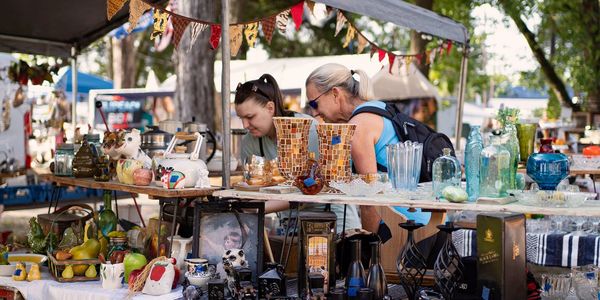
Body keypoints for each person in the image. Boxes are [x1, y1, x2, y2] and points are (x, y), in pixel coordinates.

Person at [305, 63, 430, 234]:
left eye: (314, 104)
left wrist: (367, 247)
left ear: (335, 93)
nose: (314, 113)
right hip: (422, 219)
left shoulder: (359, 126)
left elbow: (369, 202)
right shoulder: (377, 108)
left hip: (402, 228)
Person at [234, 74, 361, 233]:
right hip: (292, 227)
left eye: (250, 117)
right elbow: (254, 187)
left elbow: (312, 187)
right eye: (241, 118)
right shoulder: (249, 142)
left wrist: (257, 207)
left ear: (270, 108)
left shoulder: (308, 129)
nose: (245, 125)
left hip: (334, 222)